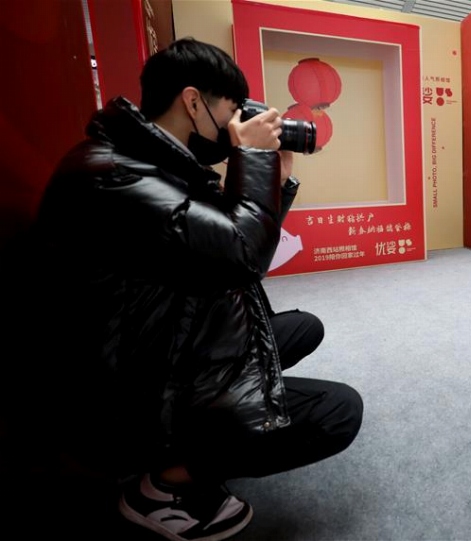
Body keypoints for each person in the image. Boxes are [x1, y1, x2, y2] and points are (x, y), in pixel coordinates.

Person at [1, 38, 362, 540]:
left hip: (152, 338)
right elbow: (239, 254)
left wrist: (274, 177)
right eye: (233, 108)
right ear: (193, 102)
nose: (238, 122)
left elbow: (235, 254)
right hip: (121, 389)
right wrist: (249, 158)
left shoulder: (150, 161)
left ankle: (217, 425)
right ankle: (163, 487)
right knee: (337, 411)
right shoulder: (114, 176)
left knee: (302, 329)